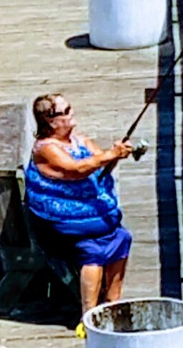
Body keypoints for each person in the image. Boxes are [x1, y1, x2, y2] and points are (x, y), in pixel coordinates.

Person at [24, 93, 134, 328]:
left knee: (122, 237)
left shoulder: (78, 140)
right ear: (51, 121)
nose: (72, 114)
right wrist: (109, 155)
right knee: (93, 248)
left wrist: (116, 153)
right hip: (61, 220)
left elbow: (98, 161)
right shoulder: (46, 149)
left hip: (90, 213)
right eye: (66, 111)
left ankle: (113, 302)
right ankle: (89, 315)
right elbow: (77, 169)